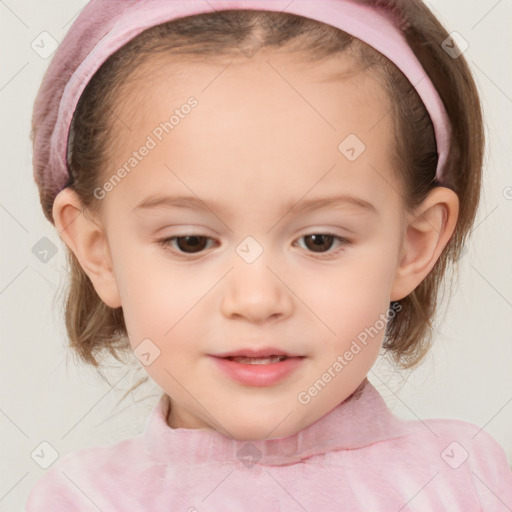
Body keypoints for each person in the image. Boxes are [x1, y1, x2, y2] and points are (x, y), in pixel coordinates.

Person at [25, 0, 512, 509]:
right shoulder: (80, 499)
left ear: (413, 245)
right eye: (190, 241)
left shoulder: (463, 483)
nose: (256, 300)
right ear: (97, 250)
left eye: (319, 240)